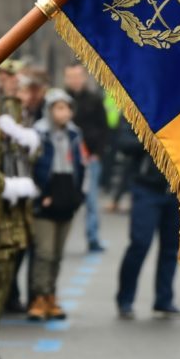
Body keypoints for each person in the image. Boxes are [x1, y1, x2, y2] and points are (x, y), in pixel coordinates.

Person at [28, 88, 85, 321]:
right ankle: (38, 296)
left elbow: (82, 165)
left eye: (67, 107)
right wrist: (41, 193)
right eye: (59, 108)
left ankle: (51, 295)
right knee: (45, 252)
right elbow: (31, 165)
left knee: (58, 253)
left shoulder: (74, 135)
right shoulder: (38, 134)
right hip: (46, 198)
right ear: (49, 110)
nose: (64, 113)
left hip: (67, 198)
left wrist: (79, 194)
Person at [114, 142, 180, 320]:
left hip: (176, 191)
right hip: (147, 188)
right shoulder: (143, 113)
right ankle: (125, 300)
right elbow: (124, 143)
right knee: (140, 244)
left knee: (171, 249)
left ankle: (164, 300)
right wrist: (154, 134)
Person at [63, 63, 109, 252]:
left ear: (84, 77)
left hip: (89, 157)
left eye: (77, 76)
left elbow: (104, 128)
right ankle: (60, 238)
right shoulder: (61, 101)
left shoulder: (94, 100)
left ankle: (93, 238)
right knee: (64, 198)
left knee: (91, 201)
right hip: (65, 158)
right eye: (71, 76)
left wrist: (98, 153)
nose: (74, 80)